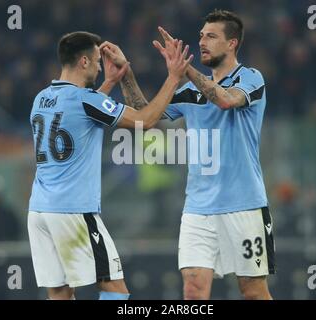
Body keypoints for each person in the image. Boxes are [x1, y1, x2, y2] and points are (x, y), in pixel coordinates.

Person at [27, 31, 192, 300]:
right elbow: (145, 121)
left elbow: (81, 115)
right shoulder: (85, 101)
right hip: (73, 211)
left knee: (59, 293)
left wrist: (111, 82)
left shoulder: (42, 98)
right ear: (83, 62)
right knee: (115, 290)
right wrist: (173, 77)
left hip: (40, 212)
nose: (99, 66)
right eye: (96, 61)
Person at [153, 10, 275, 300]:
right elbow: (147, 113)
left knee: (253, 292)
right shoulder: (189, 91)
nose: (202, 42)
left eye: (211, 36)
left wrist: (187, 72)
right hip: (198, 209)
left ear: (232, 43)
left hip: (244, 206)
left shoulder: (251, 78)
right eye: (200, 36)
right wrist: (124, 74)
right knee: (193, 291)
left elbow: (224, 99)